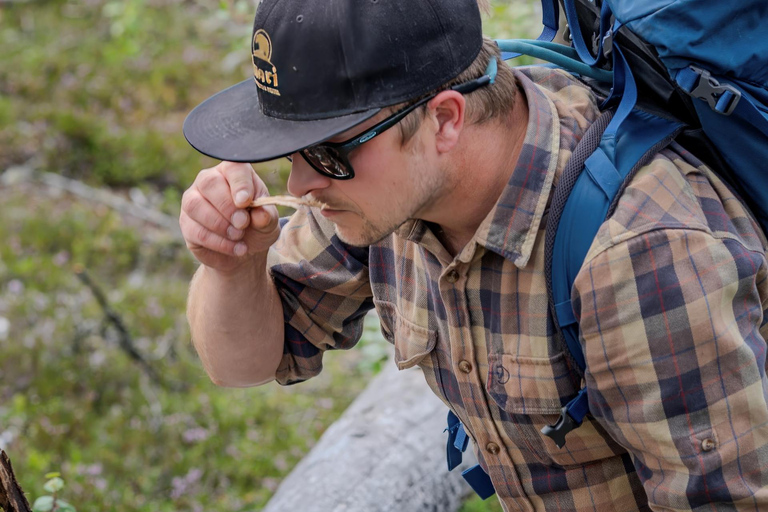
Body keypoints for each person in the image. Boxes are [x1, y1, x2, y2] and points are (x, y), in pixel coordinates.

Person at [179, 0, 768, 510]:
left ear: (445, 119)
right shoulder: (380, 190)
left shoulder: (638, 256)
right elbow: (247, 362)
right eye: (293, 150)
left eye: (328, 153)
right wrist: (231, 265)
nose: (302, 184)